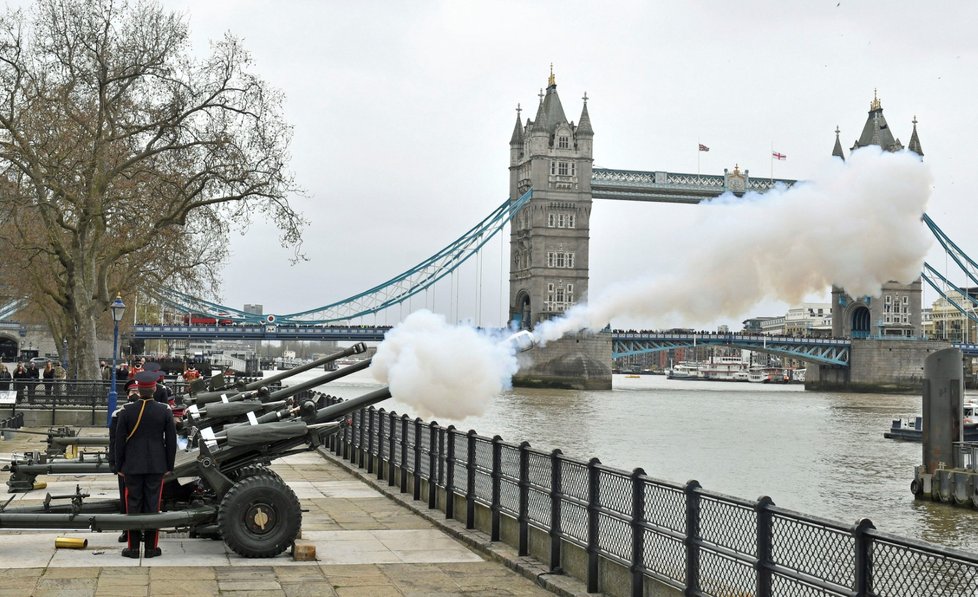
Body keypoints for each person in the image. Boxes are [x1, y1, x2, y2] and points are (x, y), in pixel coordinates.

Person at [114, 370, 177, 559]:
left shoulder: (126, 411)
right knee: (153, 505)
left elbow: (119, 441)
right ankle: (151, 547)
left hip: (132, 465)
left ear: (139, 390)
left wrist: (119, 467)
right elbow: (171, 442)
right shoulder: (164, 410)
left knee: (133, 505)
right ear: (155, 388)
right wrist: (169, 466)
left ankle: (133, 548)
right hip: (156, 465)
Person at [108, 382, 140, 542]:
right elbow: (114, 441)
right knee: (126, 499)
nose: (135, 394)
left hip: (140, 462)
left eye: (137, 391)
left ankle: (142, 529)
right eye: (132, 391)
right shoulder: (118, 414)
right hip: (127, 463)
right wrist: (114, 462)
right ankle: (128, 529)